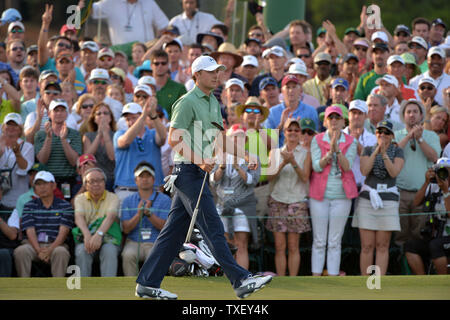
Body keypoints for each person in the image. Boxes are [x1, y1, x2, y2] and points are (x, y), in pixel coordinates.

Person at [135, 55, 272, 300]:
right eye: (210, 71)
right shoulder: (186, 102)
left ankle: (146, 284)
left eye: (218, 71)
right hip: (187, 172)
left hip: (198, 172)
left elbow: (220, 139)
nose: (216, 75)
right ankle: (241, 281)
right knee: (213, 227)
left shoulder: (213, 102)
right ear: (196, 75)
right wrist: (198, 159)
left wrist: (245, 153)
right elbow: (174, 138)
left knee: (172, 234)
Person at [309, 105, 358, 276]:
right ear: (325, 121)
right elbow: (317, 167)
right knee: (320, 240)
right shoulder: (317, 139)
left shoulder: (351, 141)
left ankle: (333, 278)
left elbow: (347, 166)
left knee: (335, 241)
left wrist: (337, 149)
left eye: (337, 118)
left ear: (343, 121)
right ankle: (316, 278)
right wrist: (329, 152)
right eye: (331, 118)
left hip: (342, 196)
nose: (334, 121)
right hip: (319, 196)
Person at [353, 120, 405, 275]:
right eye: (379, 132)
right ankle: (365, 281)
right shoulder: (368, 149)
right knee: (367, 246)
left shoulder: (397, 151)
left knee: (382, 246)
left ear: (392, 135)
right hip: (368, 199)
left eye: (386, 132)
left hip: (388, 200)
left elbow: (394, 172)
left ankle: (378, 282)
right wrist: (376, 151)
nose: (382, 135)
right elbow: (364, 170)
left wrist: (384, 155)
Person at [266, 118, 312, 276]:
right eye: (289, 130)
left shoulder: (306, 153)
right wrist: (283, 163)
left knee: (293, 246)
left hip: (296, 202)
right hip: (277, 200)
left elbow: (305, 177)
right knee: (279, 246)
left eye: (296, 130)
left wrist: (292, 162)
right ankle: (281, 279)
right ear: (284, 133)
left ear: (300, 133)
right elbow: (269, 177)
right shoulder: (275, 152)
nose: (293, 133)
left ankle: (293, 279)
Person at [211, 124, 260, 270]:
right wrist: (222, 166)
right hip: (222, 205)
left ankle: (243, 277)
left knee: (241, 244)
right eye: (234, 137)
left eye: (241, 137)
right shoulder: (219, 156)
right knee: (226, 243)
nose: (237, 140)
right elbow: (213, 181)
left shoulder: (252, 158)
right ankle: (228, 277)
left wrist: (238, 168)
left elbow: (251, 181)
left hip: (242, 207)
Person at [394, 99, 441, 247]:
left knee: (418, 236)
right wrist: (409, 136)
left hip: (422, 193)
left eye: (415, 111)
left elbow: (435, 157)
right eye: (408, 112)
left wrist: (419, 138)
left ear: (421, 115)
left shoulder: (431, 136)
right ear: (403, 116)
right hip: (399, 193)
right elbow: (391, 153)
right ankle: (400, 266)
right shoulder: (396, 135)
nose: (412, 115)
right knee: (399, 235)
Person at [14, 171, 73, 277]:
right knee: (21, 251)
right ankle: (23, 287)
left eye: (45, 183)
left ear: (54, 185)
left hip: (56, 245)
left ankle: (58, 287)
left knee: (61, 252)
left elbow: (63, 233)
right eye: (38, 184)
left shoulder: (65, 206)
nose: (41, 187)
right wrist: (38, 250)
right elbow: (30, 230)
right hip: (33, 245)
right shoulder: (29, 206)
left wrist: (49, 250)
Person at [121, 162, 170, 276]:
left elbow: (165, 227)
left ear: (153, 179)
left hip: (155, 242)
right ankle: (131, 287)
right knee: (128, 255)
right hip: (133, 241)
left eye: (148, 176)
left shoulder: (165, 200)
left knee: (153, 256)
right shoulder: (128, 201)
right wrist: (139, 215)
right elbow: (126, 229)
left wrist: (149, 214)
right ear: (135, 180)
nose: (145, 179)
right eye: (141, 176)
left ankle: (150, 286)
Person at [114, 100, 166, 203]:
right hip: (127, 190)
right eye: (127, 119)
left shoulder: (152, 133)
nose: (130, 122)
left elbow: (163, 139)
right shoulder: (119, 134)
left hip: (153, 189)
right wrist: (143, 116)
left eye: (134, 118)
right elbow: (125, 141)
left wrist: (153, 115)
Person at [404, 160, 450, 275]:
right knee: (410, 246)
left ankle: (441, 281)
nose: (443, 174)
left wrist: (445, 191)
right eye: (440, 170)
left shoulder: (445, 188)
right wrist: (426, 182)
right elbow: (416, 202)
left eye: (446, 170)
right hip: (434, 233)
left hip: (447, 235)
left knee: (435, 245)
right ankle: (424, 280)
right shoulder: (432, 186)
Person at [73, 167, 121, 277]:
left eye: (100, 180)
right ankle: (83, 288)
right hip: (87, 235)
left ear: (105, 182)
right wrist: (87, 235)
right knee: (81, 250)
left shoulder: (113, 197)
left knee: (109, 250)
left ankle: (108, 288)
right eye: (92, 181)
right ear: (85, 185)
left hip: (109, 236)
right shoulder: (79, 198)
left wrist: (98, 234)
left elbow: (111, 217)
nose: (96, 184)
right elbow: (78, 217)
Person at [236, 97, 276, 220]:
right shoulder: (236, 132)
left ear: (262, 116)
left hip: (261, 188)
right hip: (241, 187)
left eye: (256, 111)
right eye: (248, 110)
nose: (252, 113)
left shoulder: (269, 132)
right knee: (241, 227)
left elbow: (272, 146)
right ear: (242, 115)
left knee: (259, 227)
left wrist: (258, 127)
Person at [34, 99, 82, 200]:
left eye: (62, 110)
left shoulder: (75, 134)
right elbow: (42, 160)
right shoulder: (40, 135)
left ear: (67, 113)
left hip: (68, 181)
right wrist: (48, 138)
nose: (59, 113)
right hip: (47, 182)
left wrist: (63, 140)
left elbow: (74, 162)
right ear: (49, 113)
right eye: (56, 110)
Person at [79, 0, 169, 46]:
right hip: (120, 56)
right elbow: (90, 10)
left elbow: (164, 26)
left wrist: (156, 44)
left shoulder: (149, 2)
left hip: (144, 53)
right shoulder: (111, 2)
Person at [265, 75, 319, 146]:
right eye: (288, 87)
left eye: (294, 87)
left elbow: (316, 138)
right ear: (282, 91)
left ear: (300, 90)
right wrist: (281, 125)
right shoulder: (272, 112)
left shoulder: (311, 111)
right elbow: (266, 143)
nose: (291, 90)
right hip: (279, 154)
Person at [0, 113, 34, 214]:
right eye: (8, 124)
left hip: (18, 198)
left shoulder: (27, 147)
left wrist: (18, 154)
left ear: (20, 129)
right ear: (3, 127)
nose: (11, 127)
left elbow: (24, 169)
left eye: (15, 125)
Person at [343, 100, 377, 189]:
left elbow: (370, 162)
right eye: (353, 113)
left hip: (363, 187)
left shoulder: (373, 138)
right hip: (342, 187)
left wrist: (356, 143)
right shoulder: (339, 135)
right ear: (348, 114)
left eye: (360, 113)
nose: (356, 116)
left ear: (366, 116)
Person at [83, 102, 117, 191]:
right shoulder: (88, 136)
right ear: (94, 119)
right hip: (94, 180)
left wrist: (105, 133)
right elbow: (87, 157)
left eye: (105, 113)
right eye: (98, 113)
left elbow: (112, 157)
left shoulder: (116, 135)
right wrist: (99, 135)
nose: (102, 116)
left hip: (112, 179)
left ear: (110, 118)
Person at [151, 50, 187, 120]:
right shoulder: (144, 89)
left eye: (163, 63)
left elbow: (184, 113)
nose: (160, 66)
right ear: (151, 65)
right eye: (156, 63)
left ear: (168, 65)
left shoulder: (179, 88)